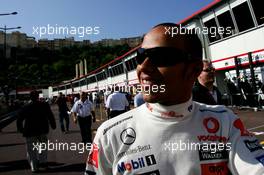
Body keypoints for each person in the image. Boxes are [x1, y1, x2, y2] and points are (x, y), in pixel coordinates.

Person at [85, 23, 264, 175]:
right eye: (141, 56)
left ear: (193, 69)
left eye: (160, 57)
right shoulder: (109, 134)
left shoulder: (225, 122)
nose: (143, 67)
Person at [17, 90, 56, 173]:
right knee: (43, 147)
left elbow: (19, 119)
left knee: (31, 150)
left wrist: (20, 129)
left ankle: (33, 166)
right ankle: (43, 163)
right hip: (42, 130)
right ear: (38, 96)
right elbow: (50, 115)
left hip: (29, 131)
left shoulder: (26, 106)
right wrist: (53, 125)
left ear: (30, 97)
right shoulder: (44, 105)